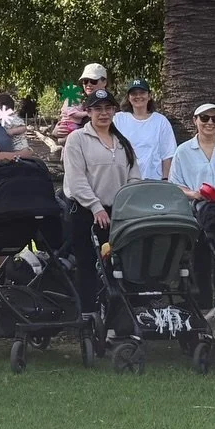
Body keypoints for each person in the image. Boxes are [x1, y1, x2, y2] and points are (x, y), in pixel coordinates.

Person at [61, 88, 141, 311]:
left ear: (114, 111)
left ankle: (118, 313)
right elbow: (76, 180)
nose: (103, 113)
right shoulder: (77, 139)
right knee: (87, 264)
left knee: (118, 266)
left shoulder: (123, 142)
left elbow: (134, 176)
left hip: (119, 214)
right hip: (87, 213)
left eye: (108, 108)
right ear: (88, 111)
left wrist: (125, 208)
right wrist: (96, 207)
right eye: (98, 109)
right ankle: (88, 315)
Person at [113, 79, 177, 181]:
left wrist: (165, 180)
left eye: (142, 93)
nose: (138, 96)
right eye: (134, 93)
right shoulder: (118, 119)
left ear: (149, 96)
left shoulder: (160, 121)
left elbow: (167, 154)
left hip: (153, 181)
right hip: (125, 181)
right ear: (128, 97)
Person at [55, 63, 107, 139]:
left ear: (104, 82)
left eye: (93, 81)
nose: (88, 84)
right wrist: (56, 131)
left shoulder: (109, 105)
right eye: (85, 81)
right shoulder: (81, 103)